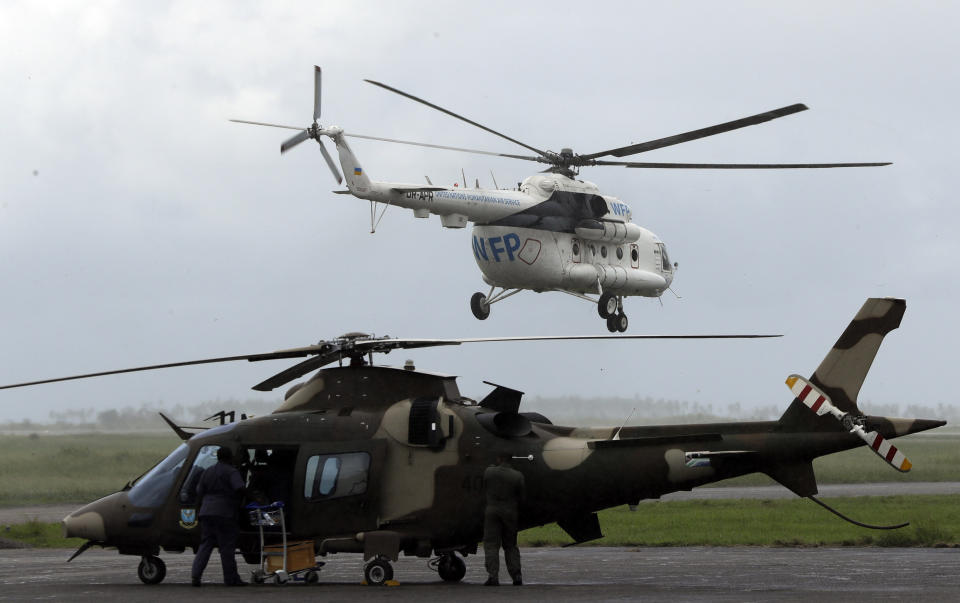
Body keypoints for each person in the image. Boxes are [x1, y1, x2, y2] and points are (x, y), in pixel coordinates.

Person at [191, 446, 246, 586]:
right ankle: (231, 579)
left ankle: (195, 575)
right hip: (225, 513)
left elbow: (199, 492)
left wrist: (198, 511)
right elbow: (239, 488)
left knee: (205, 544)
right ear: (229, 458)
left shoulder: (208, 471)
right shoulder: (231, 471)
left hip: (206, 511)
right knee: (227, 547)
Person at [482, 453, 525, 586]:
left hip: (492, 511)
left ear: (499, 459)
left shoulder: (489, 471)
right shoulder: (517, 476)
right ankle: (516, 575)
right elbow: (522, 497)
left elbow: (483, 486)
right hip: (510, 512)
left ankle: (493, 576)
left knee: (491, 545)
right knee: (511, 545)